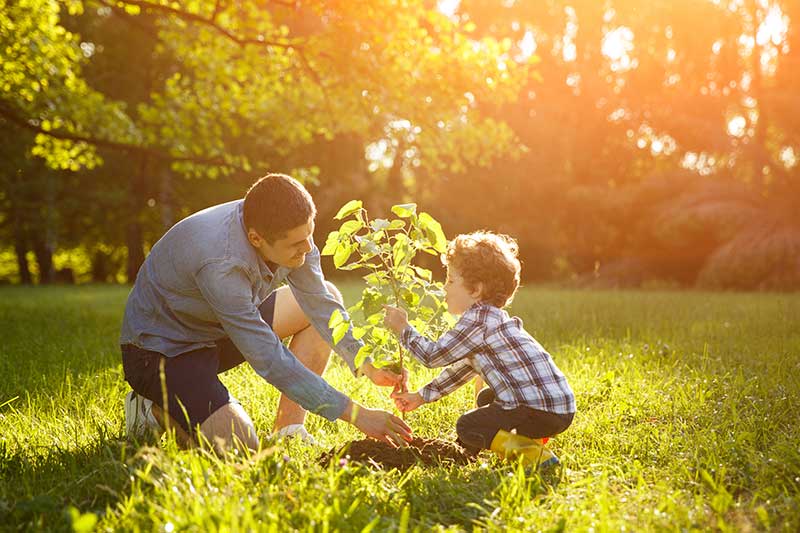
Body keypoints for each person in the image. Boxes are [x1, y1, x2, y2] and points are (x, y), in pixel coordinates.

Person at [120, 173, 411, 451]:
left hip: (217, 327)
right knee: (240, 447)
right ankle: (151, 409)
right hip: (163, 352)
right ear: (256, 238)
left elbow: (320, 303)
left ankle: (289, 431)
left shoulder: (288, 231)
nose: (309, 248)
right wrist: (358, 415)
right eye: (297, 243)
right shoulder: (221, 263)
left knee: (329, 295)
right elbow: (270, 359)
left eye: (309, 234)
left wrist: (367, 364)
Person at [385, 231, 575, 466]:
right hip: (556, 407)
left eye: (451, 281)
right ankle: (467, 454)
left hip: (540, 410)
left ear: (475, 290)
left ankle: (533, 456)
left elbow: (432, 356)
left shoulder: (478, 321)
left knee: (469, 425)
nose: (445, 288)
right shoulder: (491, 320)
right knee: (487, 398)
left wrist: (403, 328)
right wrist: (421, 397)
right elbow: (462, 370)